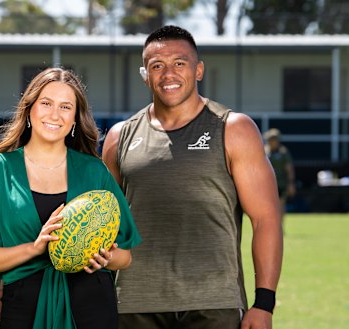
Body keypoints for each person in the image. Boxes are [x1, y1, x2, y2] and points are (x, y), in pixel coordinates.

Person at [102, 25, 283, 329]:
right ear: (145, 74)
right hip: (133, 305)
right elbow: (103, 223)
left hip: (214, 304)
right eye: (157, 66)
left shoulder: (234, 129)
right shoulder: (119, 138)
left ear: (198, 70)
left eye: (179, 63)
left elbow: (265, 219)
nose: (168, 74)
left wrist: (264, 303)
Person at [0, 67, 141, 329]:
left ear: (75, 118)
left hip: (92, 310)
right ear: (29, 110)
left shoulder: (94, 171)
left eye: (65, 107)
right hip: (23, 312)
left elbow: (126, 256)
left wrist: (106, 257)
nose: (55, 114)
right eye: (46, 103)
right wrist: (35, 247)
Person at [264, 128, 296, 232]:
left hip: (280, 184)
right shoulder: (264, 151)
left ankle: (280, 227)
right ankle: (270, 228)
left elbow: (289, 169)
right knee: (267, 206)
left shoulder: (283, 153)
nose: (272, 142)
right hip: (267, 185)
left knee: (281, 205)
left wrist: (291, 183)